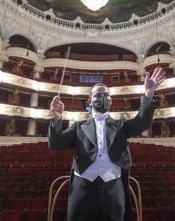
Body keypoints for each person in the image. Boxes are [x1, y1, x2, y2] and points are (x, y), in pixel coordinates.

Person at [48, 67, 166, 221]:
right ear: (89, 101)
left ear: (110, 100)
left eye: (105, 94)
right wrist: (56, 118)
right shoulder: (78, 127)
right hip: (82, 190)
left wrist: (149, 94)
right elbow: (55, 144)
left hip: (113, 190)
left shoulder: (121, 126)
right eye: (97, 95)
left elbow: (142, 122)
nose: (102, 97)